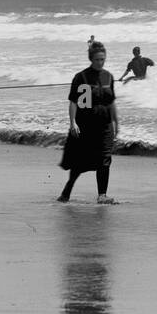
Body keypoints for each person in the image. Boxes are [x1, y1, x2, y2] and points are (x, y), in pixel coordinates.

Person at [58, 41, 118, 203]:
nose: (100, 62)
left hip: (105, 126)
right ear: (91, 59)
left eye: (103, 59)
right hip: (85, 125)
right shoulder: (81, 77)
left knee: (105, 159)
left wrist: (116, 123)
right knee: (80, 162)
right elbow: (73, 102)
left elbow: (111, 102)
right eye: (98, 59)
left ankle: (102, 195)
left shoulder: (108, 76)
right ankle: (67, 189)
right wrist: (73, 123)